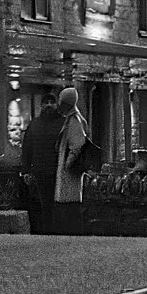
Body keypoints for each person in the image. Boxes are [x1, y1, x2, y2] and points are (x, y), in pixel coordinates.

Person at [21, 91, 65, 234]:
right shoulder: (34, 125)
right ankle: (45, 232)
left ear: (56, 104)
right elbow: (27, 148)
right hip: (40, 171)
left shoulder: (63, 124)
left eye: (52, 102)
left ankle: (57, 231)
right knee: (43, 204)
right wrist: (27, 170)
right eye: (46, 103)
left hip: (60, 171)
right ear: (41, 105)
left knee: (58, 203)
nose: (49, 105)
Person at [54, 88, 92, 210]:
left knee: (69, 210)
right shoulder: (72, 119)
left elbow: (77, 145)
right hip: (69, 176)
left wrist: (67, 165)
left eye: (61, 101)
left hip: (70, 177)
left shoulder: (74, 121)